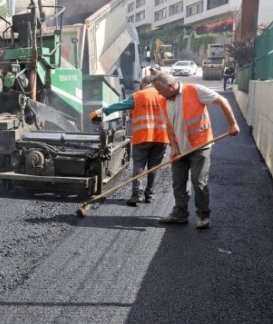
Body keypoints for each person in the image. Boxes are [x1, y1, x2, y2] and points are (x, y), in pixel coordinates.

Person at [151, 72, 240, 229]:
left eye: (160, 90)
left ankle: (203, 216)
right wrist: (174, 148)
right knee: (178, 183)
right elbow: (169, 128)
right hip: (180, 149)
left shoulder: (195, 90)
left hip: (200, 146)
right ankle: (180, 214)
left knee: (198, 182)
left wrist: (232, 124)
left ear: (171, 86)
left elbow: (222, 100)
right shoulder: (163, 101)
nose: (158, 93)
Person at [89, 75, 169, 205]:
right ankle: (150, 195)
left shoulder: (138, 96)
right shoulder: (164, 95)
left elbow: (120, 105)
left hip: (143, 137)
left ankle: (137, 193)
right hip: (161, 138)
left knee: (139, 166)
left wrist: (100, 112)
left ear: (143, 84)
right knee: (154, 167)